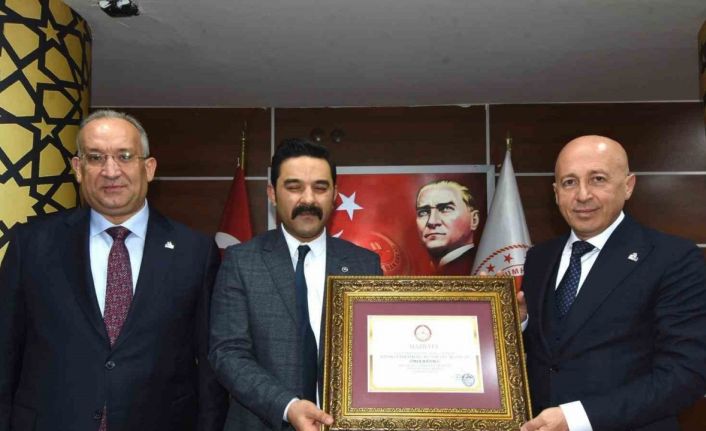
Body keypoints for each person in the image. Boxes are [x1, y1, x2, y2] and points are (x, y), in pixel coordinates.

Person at [0, 110, 227, 431]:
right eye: (95, 157)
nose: (110, 170)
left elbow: (209, 365)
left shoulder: (195, 252)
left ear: (149, 168)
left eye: (125, 156)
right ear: (78, 169)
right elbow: (5, 350)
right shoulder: (32, 244)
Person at [520, 135, 706, 431]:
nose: (582, 195)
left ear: (628, 186)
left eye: (598, 179)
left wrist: (578, 418)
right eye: (569, 182)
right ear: (556, 193)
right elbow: (548, 356)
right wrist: (520, 322)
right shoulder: (539, 258)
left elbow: (686, 374)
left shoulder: (673, 259)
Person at [209, 138, 382, 431]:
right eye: (294, 187)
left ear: (335, 195)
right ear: (272, 194)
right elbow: (227, 353)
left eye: (320, 187)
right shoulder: (241, 261)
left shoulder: (365, 264)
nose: (308, 200)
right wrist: (287, 407)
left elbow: (378, 350)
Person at [415, 179, 480, 274]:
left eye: (446, 209)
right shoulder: (427, 270)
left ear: (474, 220)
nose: (432, 221)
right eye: (423, 212)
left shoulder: (484, 266)